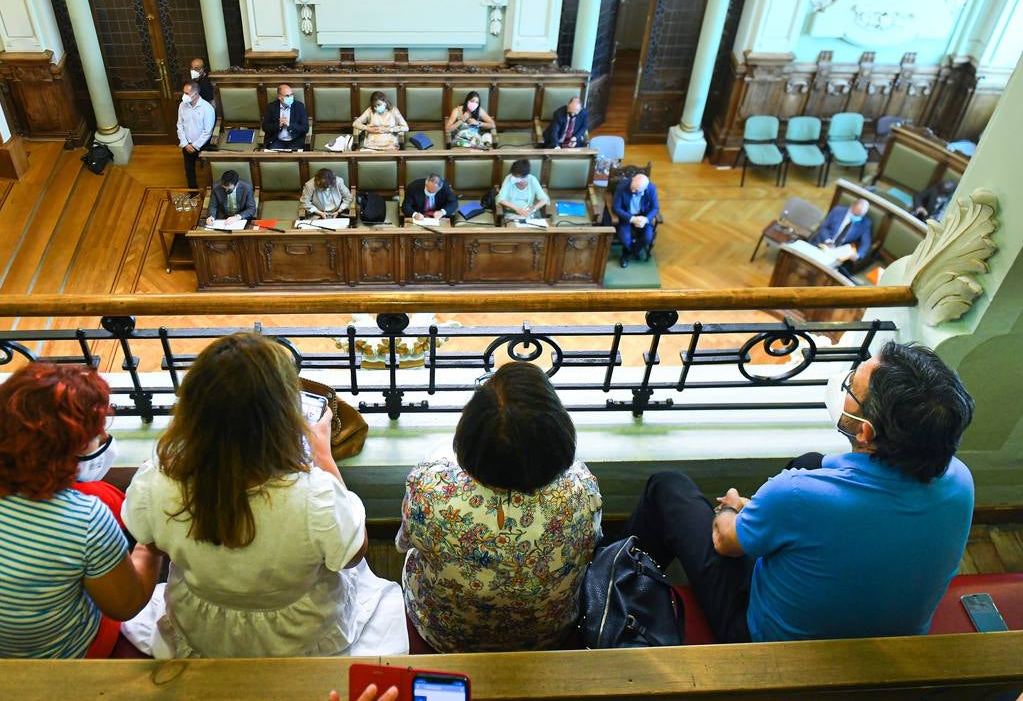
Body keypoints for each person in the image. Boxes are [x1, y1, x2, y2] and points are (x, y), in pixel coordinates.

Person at [621, 341, 974, 644]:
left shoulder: (796, 496)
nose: (844, 387)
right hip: (885, 632)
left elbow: (726, 542)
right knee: (809, 461)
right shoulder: (959, 480)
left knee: (667, 487)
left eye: (851, 386)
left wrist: (731, 510)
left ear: (866, 433)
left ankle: (613, 582)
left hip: (774, 646)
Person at [119, 332, 407, 658]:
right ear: (283, 418)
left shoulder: (159, 477)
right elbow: (352, 554)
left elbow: (149, 541)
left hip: (206, 631)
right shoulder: (314, 496)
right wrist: (322, 456)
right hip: (300, 632)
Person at [0, 362, 160, 658]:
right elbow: (126, 606)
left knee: (100, 498)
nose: (101, 439)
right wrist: (148, 540)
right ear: (67, 451)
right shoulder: (86, 520)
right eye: (95, 434)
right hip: (53, 663)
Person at [398, 363, 601, 653]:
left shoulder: (430, 486)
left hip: (444, 635)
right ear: (559, 434)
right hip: (548, 635)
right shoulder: (583, 488)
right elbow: (592, 545)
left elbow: (404, 543)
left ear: (466, 435)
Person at [810, 198, 873, 275]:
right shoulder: (838, 211)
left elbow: (866, 243)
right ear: (852, 206)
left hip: (838, 253)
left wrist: (858, 255)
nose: (857, 217)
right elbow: (823, 226)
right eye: (855, 214)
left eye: (860, 215)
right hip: (821, 244)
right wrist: (827, 240)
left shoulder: (866, 223)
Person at [610, 171, 659, 267]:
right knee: (624, 238)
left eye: (637, 190)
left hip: (643, 217)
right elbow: (616, 208)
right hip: (627, 216)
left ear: (645, 188)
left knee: (647, 237)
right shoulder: (622, 186)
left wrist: (645, 219)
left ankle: (627, 254)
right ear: (633, 180)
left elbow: (655, 208)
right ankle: (633, 252)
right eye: (632, 188)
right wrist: (632, 219)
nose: (633, 191)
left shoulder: (651, 189)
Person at [176, 82, 216, 190]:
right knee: (189, 170)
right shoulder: (182, 105)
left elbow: (207, 131)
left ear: (196, 94)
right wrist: (185, 143)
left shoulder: (207, 108)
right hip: (187, 144)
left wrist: (195, 145)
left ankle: (211, 189)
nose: (184, 96)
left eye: (187, 93)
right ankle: (193, 192)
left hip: (202, 144)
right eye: (184, 92)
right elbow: (180, 125)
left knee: (209, 170)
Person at [264, 84, 309, 150]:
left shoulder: (299, 106)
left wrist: (289, 125)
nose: (290, 97)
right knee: (274, 157)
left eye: (291, 95)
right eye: (287, 96)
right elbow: (265, 127)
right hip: (277, 140)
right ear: (279, 97)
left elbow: (305, 128)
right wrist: (278, 125)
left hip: (295, 140)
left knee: (293, 157)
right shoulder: (271, 107)